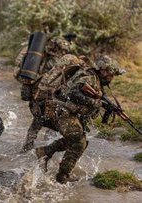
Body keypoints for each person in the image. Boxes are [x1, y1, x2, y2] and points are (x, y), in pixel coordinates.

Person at [35, 55, 124, 184]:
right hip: (64, 112)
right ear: (103, 70)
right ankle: (62, 176)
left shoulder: (95, 79)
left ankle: (44, 151)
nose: (112, 77)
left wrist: (108, 108)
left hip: (68, 112)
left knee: (80, 142)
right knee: (78, 143)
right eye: (111, 74)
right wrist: (95, 103)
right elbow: (72, 93)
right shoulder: (89, 78)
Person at [16, 34, 84, 152]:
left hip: (39, 91)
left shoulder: (46, 54)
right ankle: (44, 147)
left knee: (38, 120)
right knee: (45, 119)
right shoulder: (57, 61)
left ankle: (29, 146)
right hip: (44, 92)